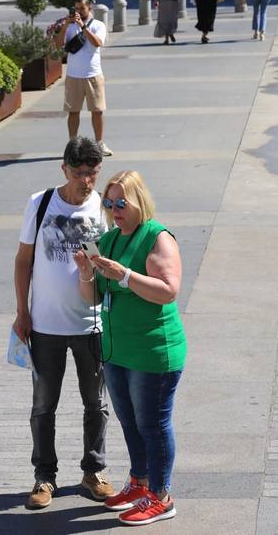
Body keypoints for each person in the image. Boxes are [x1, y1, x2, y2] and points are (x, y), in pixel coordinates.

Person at [74, 170, 186, 527]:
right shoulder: (107, 241)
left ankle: (161, 495)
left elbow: (168, 290)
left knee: (153, 424)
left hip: (153, 352)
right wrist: (86, 273)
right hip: (117, 350)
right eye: (109, 203)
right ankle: (139, 483)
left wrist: (124, 275)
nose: (114, 209)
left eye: (121, 203)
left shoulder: (158, 237)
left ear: (139, 201)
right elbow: (92, 298)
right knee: (130, 422)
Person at [14, 138, 115, 510]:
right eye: (79, 173)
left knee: (96, 404)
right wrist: (22, 312)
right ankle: (44, 477)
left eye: (92, 172)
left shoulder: (104, 207)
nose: (86, 181)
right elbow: (23, 260)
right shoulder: (40, 203)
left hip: (91, 324)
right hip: (45, 326)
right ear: (64, 168)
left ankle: (94, 470)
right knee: (43, 406)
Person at [56, 0, 113, 157]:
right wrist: (65, 26)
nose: (78, 12)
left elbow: (97, 43)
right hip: (73, 75)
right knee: (73, 112)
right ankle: (72, 146)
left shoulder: (98, 25)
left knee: (97, 111)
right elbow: (58, 44)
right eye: (76, 9)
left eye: (82, 9)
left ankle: (99, 143)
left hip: (93, 74)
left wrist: (83, 27)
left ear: (90, 9)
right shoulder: (69, 26)